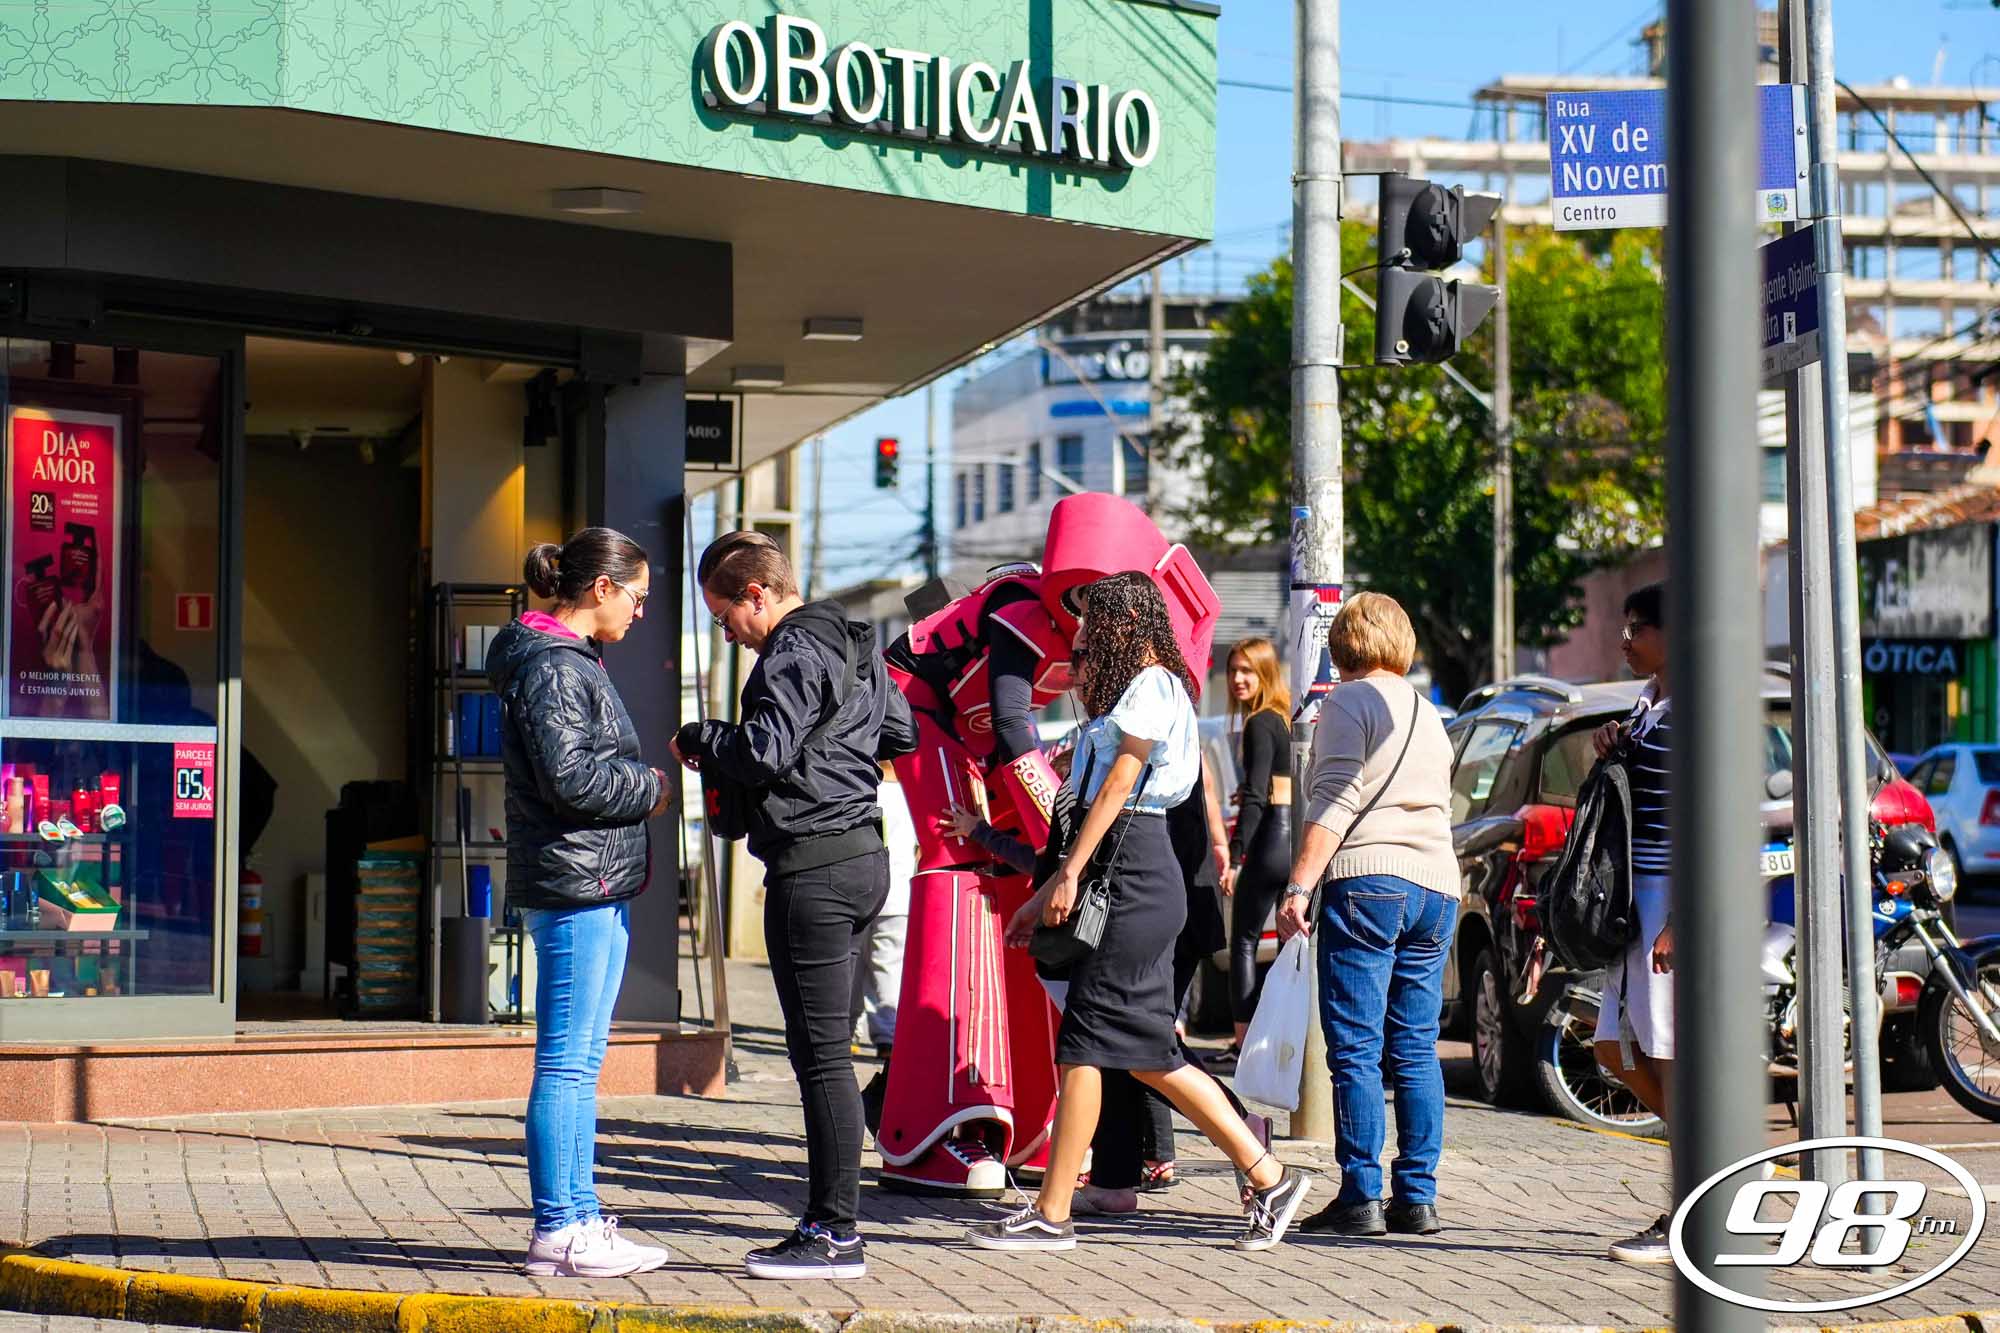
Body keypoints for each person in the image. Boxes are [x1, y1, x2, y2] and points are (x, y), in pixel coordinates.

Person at [968, 573, 1311, 1255]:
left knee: (1087, 1042)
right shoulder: (1140, 689)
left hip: (1136, 873)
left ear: (1127, 621)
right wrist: (1044, 892)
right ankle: (1269, 1178)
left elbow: (1121, 785)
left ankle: (1052, 1212)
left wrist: (1068, 875)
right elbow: (1094, 806)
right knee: (1148, 1053)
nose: (1083, 635)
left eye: (1093, 622)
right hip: (1127, 872)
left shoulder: (1153, 685)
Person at [672, 531, 916, 1280]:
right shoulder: (857, 641)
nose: (728, 634)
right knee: (830, 1053)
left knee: (820, 1058)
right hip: (865, 857)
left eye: (726, 618)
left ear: (758, 594)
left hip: (812, 867)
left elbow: (763, 750)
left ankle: (833, 1231)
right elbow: (901, 733)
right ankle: (833, 1223)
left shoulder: (790, 649)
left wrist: (703, 737)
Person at [488, 527, 674, 1279]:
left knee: (579, 1062)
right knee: (567, 1064)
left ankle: (579, 1218)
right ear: (602, 588)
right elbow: (572, 780)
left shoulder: (565, 660)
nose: (640, 611)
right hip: (576, 885)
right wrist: (651, 787)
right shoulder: (555, 667)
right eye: (637, 596)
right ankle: (560, 1227)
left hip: (589, 881)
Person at [1274, 592, 1458, 1240]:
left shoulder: (1347, 702)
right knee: (1415, 1047)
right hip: (1438, 888)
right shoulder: (1430, 714)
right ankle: (1418, 1197)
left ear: (1341, 644)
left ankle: (1361, 1195)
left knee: (1355, 1048)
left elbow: (1336, 799)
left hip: (1369, 882)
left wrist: (1298, 886)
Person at [1589, 582, 1677, 1264]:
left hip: (1666, 900)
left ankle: (1693, 1209)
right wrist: (1613, 746)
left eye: (1637, 628)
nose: (1625, 640)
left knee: (1668, 1053)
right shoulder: (1648, 706)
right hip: (1633, 902)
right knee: (1610, 1047)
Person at [1223, 636, 1293, 1055]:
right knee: (1288, 945)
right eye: (1233, 670)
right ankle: (1285, 1037)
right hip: (1294, 840)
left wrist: (1235, 857)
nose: (1237, 679)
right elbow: (1275, 785)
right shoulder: (1286, 718)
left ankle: (1245, 1042)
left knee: (1244, 941)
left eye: (1247, 670)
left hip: (1269, 840)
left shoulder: (1259, 723)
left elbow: (1254, 798)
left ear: (1265, 672)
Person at [852, 764, 915, 1057]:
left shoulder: (862, 788)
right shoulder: (912, 794)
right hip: (900, 892)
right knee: (890, 967)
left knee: (852, 965)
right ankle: (888, 1035)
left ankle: (847, 1030)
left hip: (861, 888)